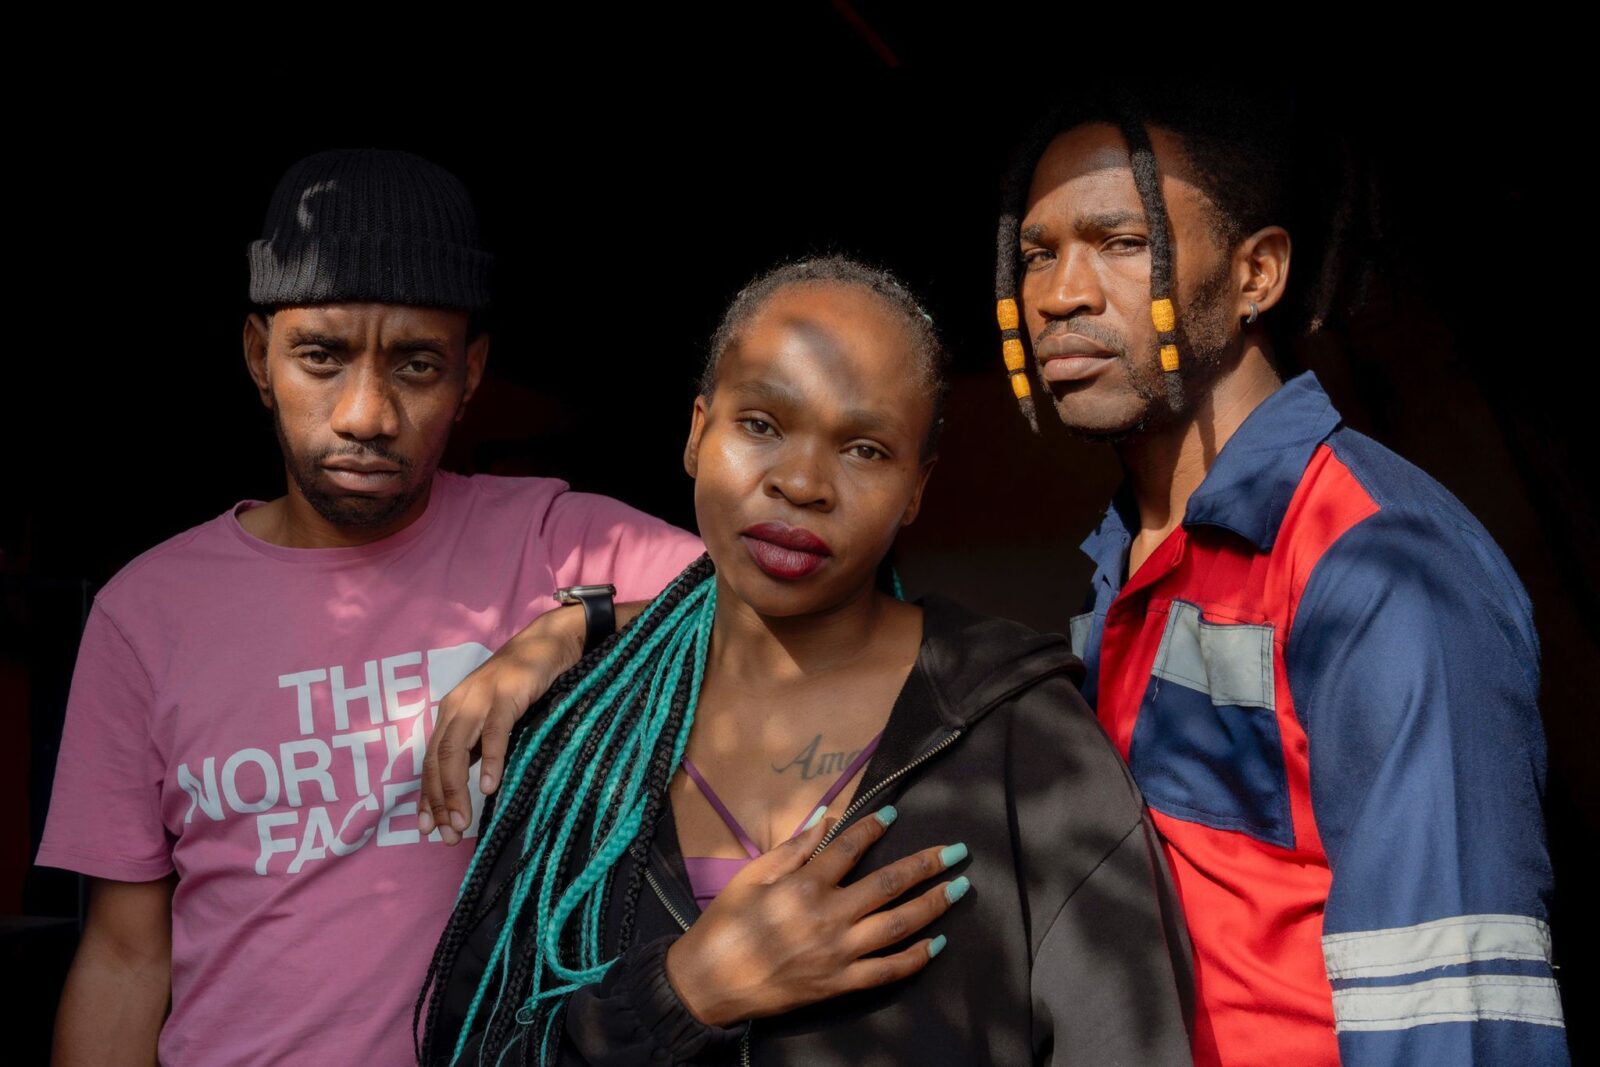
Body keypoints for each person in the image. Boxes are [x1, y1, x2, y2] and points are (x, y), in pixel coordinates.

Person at [417, 257, 1195, 1066]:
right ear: (697, 433)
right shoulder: (579, 734)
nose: (801, 483)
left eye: (865, 449)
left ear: (916, 488)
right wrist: (682, 993)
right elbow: (476, 1048)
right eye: (761, 425)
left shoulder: (1021, 736)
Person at [37, 148, 703, 1066]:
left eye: (417, 365)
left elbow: (804, 617)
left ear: (470, 373)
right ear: (258, 356)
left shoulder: (558, 544)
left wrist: (571, 628)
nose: (366, 414)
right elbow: (123, 956)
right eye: (322, 355)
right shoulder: (144, 616)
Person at [988, 87, 1567, 1064]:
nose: (1060, 294)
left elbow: (1451, 1003)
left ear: (1255, 272)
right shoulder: (1125, 558)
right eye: (1037, 253)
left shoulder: (1375, 560)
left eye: (1121, 242)